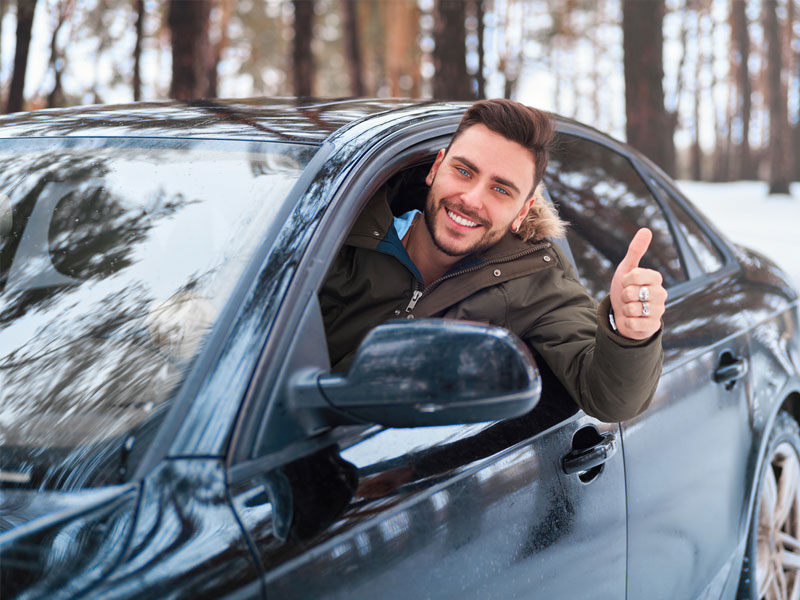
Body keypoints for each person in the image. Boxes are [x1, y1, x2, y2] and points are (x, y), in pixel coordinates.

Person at [319, 99, 666, 423]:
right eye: (464, 172)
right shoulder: (335, 231)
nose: (471, 200)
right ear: (436, 169)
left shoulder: (536, 280)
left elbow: (609, 397)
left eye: (501, 190)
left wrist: (632, 335)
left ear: (522, 212)